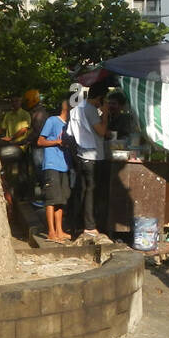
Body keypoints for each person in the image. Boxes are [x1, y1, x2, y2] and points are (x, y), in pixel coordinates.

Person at [68, 82, 111, 242]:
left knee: (84, 190)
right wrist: (105, 115)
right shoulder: (91, 109)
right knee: (92, 192)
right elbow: (102, 132)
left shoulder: (77, 109)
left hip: (81, 155)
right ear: (99, 97)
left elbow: (74, 132)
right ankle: (90, 226)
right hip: (93, 157)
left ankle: (77, 224)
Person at [35, 99, 71, 241]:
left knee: (60, 199)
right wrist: (57, 142)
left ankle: (59, 230)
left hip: (64, 164)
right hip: (52, 164)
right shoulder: (52, 121)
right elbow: (40, 141)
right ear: (66, 110)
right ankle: (51, 231)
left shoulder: (68, 126)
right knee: (51, 199)